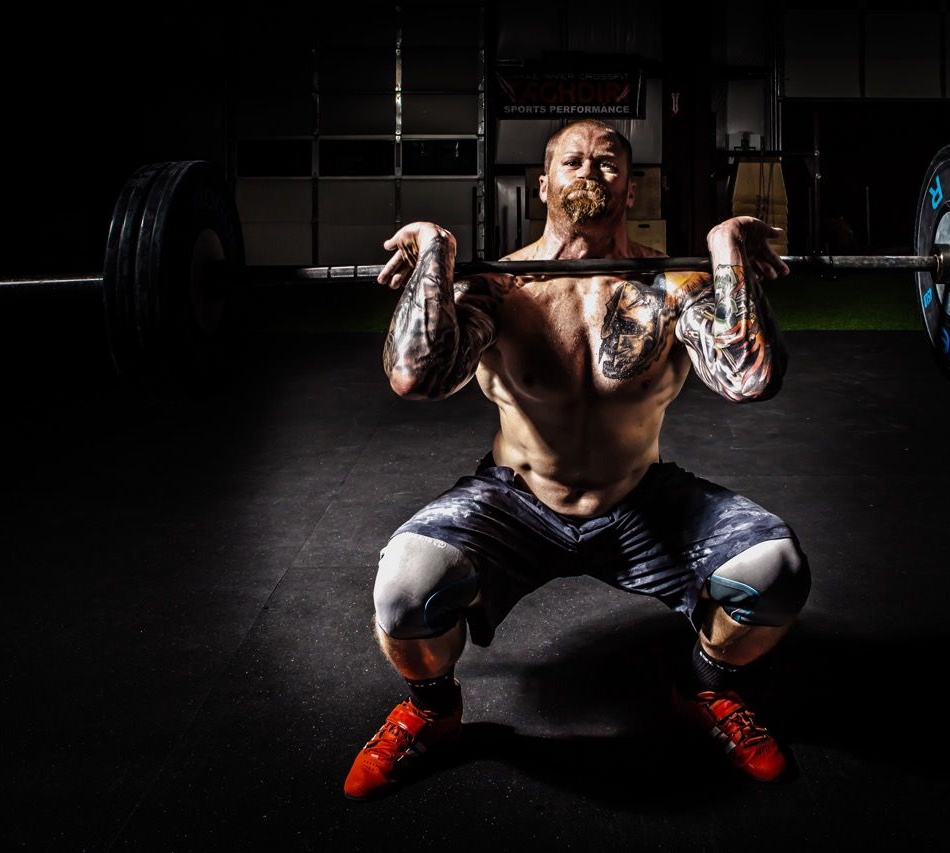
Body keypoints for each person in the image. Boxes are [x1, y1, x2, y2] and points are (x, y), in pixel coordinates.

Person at [344, 119, 811, 800]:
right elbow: (416, 375)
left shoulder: (668, 282)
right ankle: (433, 709)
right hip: (516, 501)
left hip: (639, 499)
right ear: (544, 184)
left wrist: (724, 251)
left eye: (608, 161)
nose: (590, 172)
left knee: (777, 570)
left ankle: (706, 688)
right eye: (572, 161)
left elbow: (750, 377)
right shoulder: (500, 288)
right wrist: (434, 257)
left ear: (630, 185)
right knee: (403, 589)